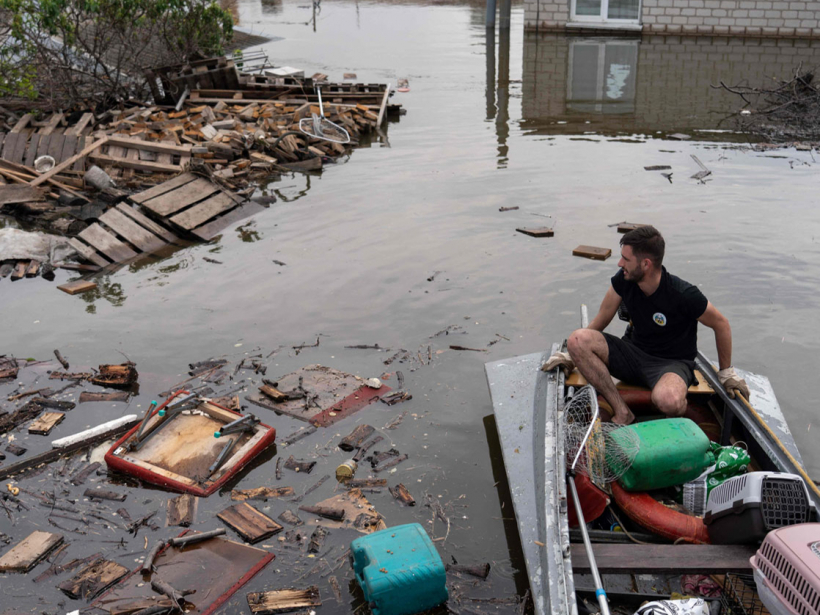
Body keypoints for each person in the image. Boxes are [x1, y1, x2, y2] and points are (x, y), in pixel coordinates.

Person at [542, 226, 749, 425]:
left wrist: (726, 372)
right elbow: (601, 319)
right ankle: (622, 411)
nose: (620, 264)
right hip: (632, 355)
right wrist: (572, 355)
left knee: (669, 400)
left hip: (671, 364)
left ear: (646, 264)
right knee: (577, 339)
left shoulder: (684, 294)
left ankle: (677, 426)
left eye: (626, 259)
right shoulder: (624, 280)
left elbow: (721, 324)